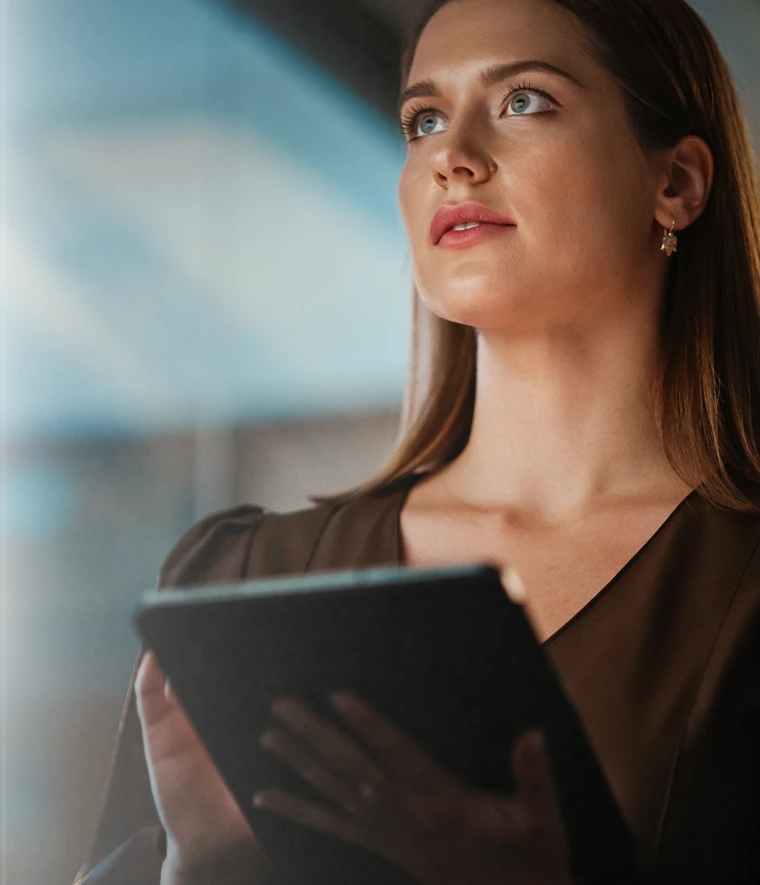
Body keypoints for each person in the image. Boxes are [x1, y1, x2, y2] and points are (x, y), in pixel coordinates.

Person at [73, 0, 760, 883]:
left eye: (525, 102)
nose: (452, 158)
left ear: (679, 184)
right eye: (423, 120)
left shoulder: (740, 593)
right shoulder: (244, 577)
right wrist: (206, 865)